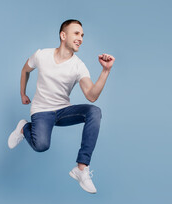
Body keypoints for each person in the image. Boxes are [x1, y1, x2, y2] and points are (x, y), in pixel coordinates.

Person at [8, 19, 115, 194]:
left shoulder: (78, 65)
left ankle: (81, 168)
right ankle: (24, 128)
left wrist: (105, 71)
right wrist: (22, 93)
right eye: (76, 33)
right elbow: (25, 71)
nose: (80, 38)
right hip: (41, 111)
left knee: (94, 112)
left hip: (63, 110)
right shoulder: (42, 55)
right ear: (63, 35)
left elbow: (92, 96)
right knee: (41, 145)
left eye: (82, 35)